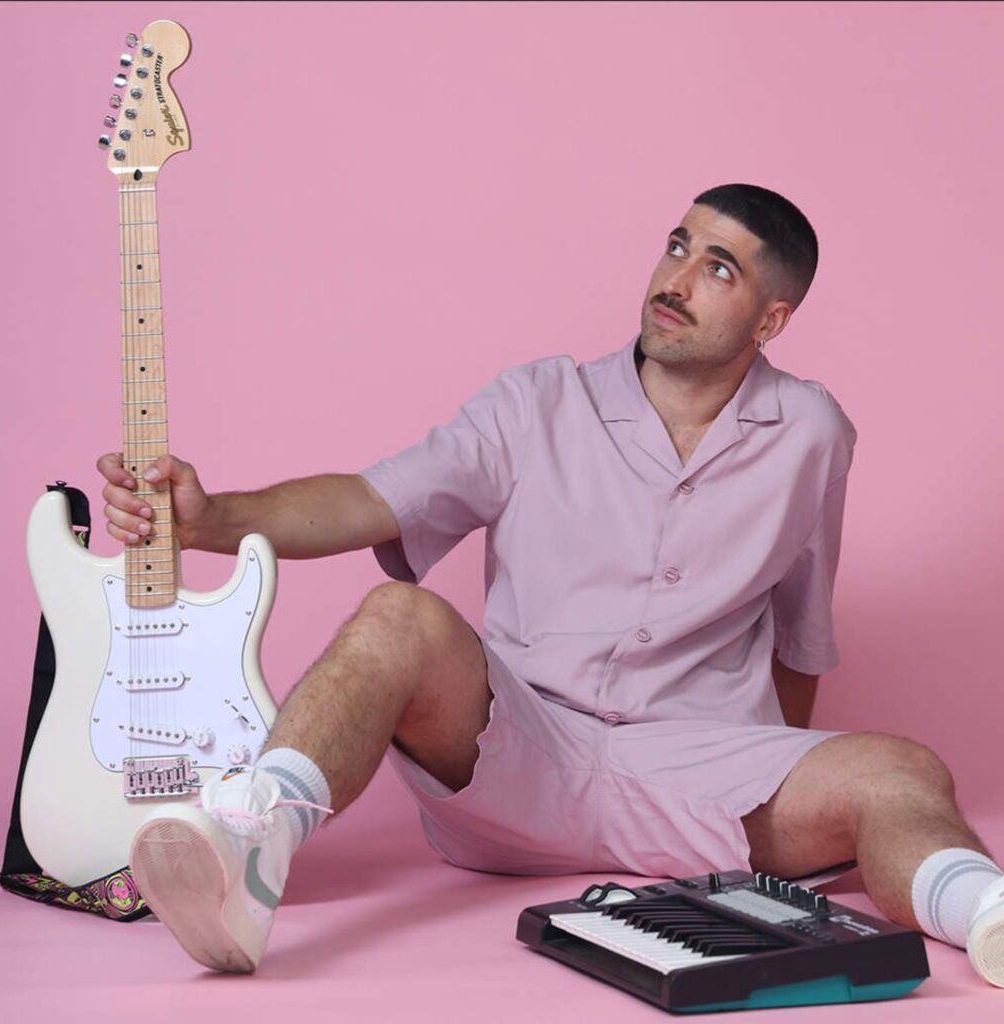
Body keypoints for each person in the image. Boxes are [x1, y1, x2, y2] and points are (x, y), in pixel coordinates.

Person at [98, 183, 1004, 982]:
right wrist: (211, 520)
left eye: (718, 268)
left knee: (904, 769)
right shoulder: (536, 402)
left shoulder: (812, 432)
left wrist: (778, 781)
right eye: (677, 246)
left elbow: (801, 632)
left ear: (770, 321)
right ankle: (251, 853)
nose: (676, 279)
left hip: (698, 782)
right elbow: (370, 499)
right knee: (398, 614)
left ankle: (988, 917)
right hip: (517, 760)